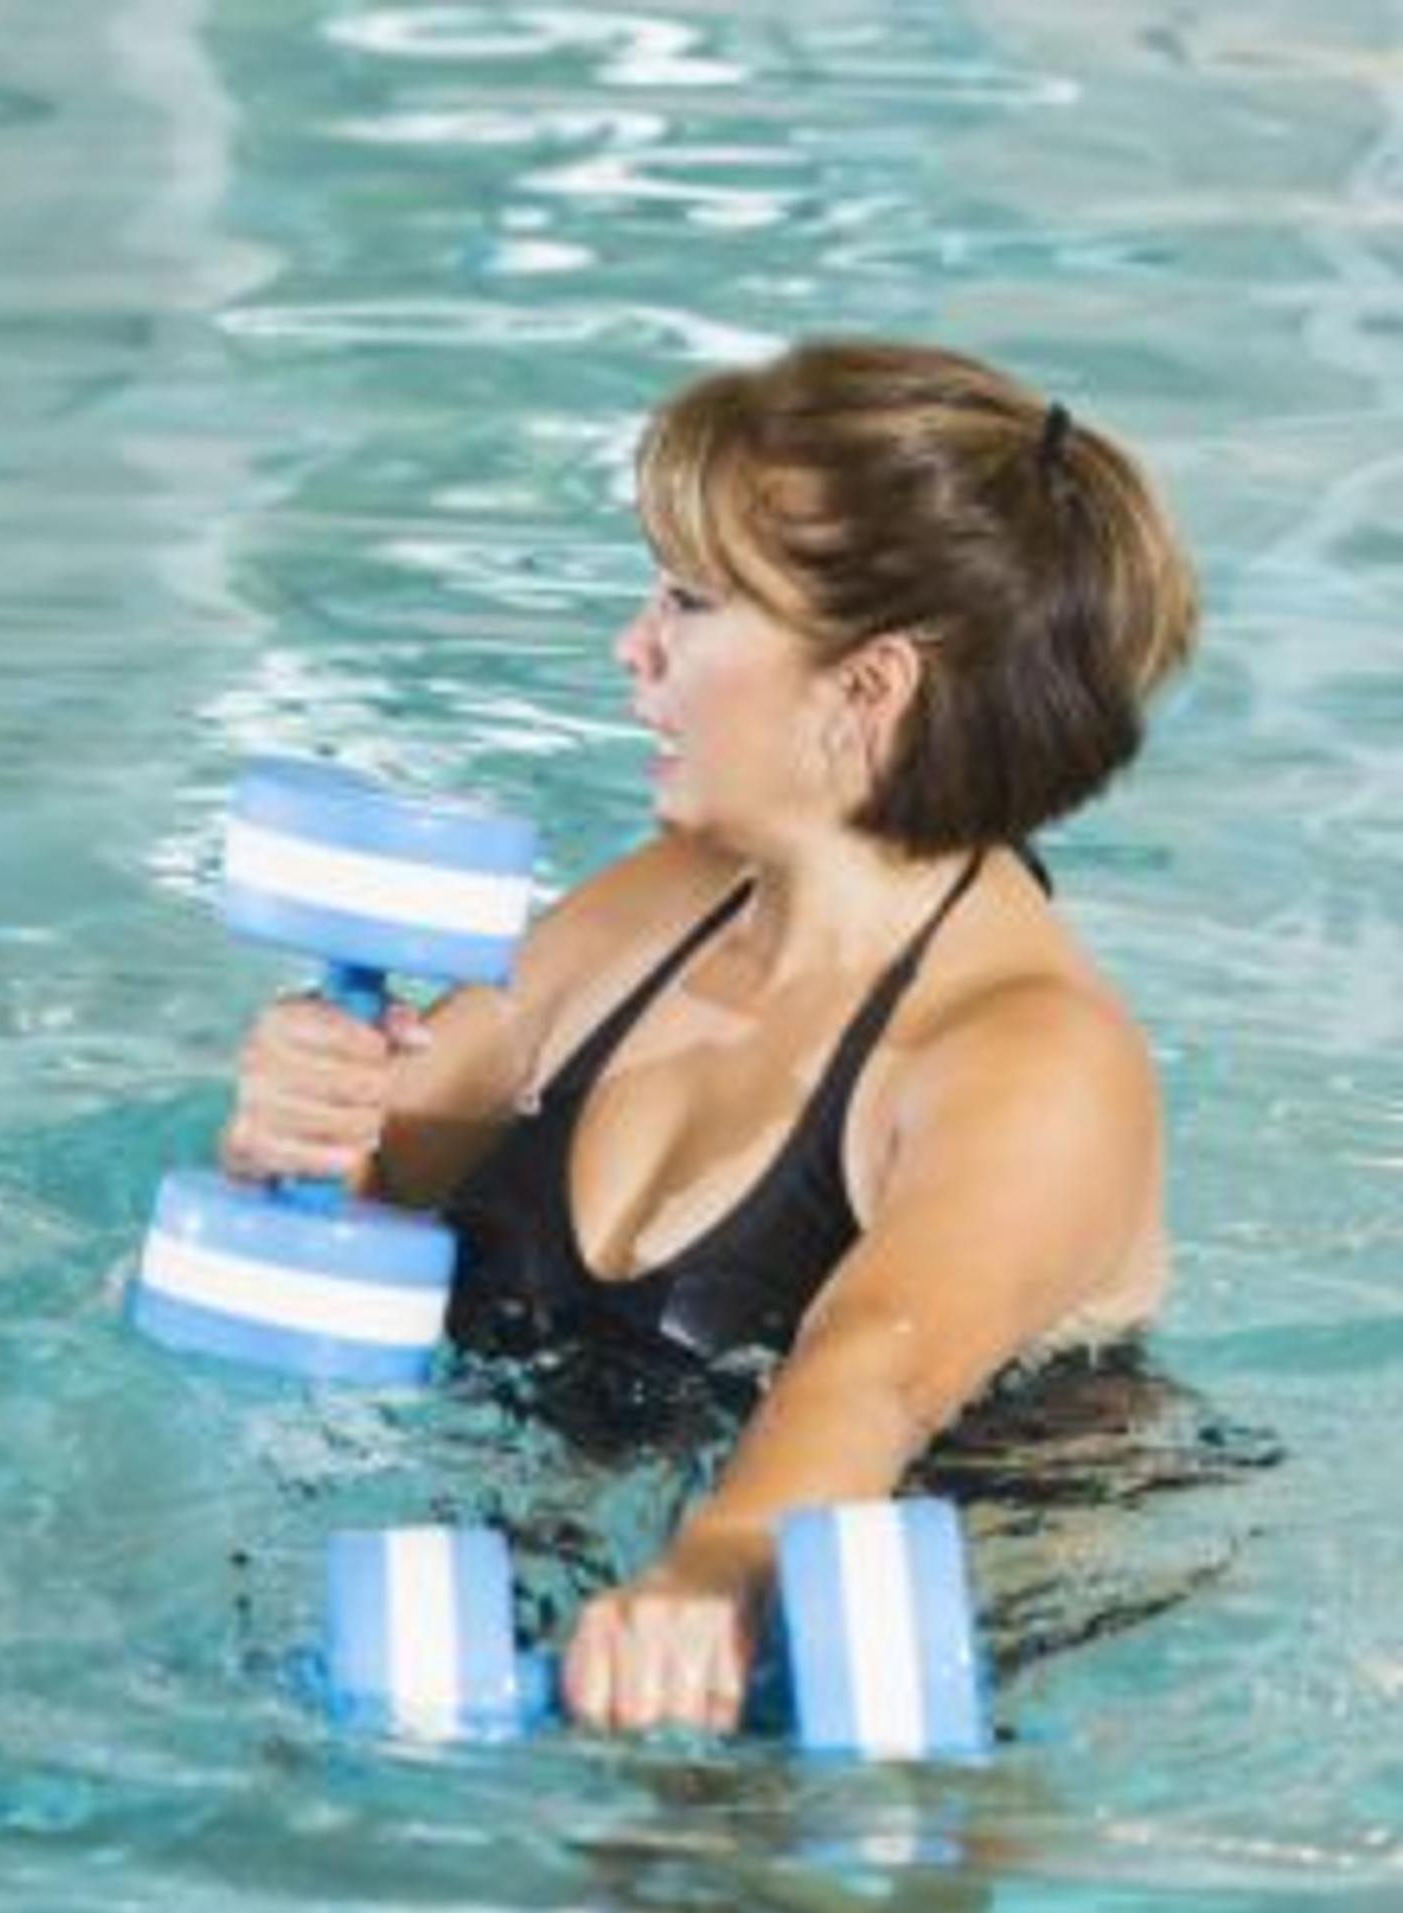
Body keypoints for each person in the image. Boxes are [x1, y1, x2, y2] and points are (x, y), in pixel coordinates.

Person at [217, 340, 1197, 1735]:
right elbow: (359, 1193)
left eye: (689, 601)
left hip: (912, 1673)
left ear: (868, 690)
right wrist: (296, 1123)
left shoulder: (1031, 1060)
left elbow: (873, 1368)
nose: (635, 645)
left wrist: (723, 1566)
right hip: (572, 1560)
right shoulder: (659, 903)